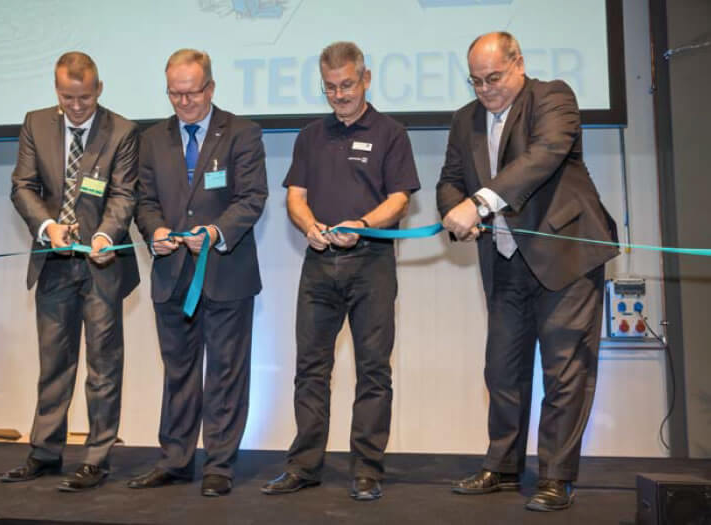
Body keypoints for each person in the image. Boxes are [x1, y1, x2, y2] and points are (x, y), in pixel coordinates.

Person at [436, 32, 618, 511]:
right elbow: (451, 179)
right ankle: (503, 466)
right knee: (501, 369)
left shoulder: (553, 96)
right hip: (505, 261)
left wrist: (478, 204)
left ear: (518, 63)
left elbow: (544, 156)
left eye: (494, 77)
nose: (485, 89)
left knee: (564, 370)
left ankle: (556, 476)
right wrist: (456, 214)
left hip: (565, 257)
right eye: (476, 81)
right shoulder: (464, 120)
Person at [261, 41, 420, 501]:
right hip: (318, 265)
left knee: (373, 371)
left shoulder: (391, 132)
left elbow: (400, 199)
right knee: (310, 370)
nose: (339, 94)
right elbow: (295, 195)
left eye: (347, 85)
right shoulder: (310, 136)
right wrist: (307, 224)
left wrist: (364, 224)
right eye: (330, 87)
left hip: (371, 263)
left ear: (366, 79)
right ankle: (304, 466)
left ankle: (367, 470)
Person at [131, 49, 268, 497]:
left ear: (210, 87)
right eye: (175, 93)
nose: (184, 102)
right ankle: (175, 460)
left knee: (227, 371)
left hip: (226, 272)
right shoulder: (151, 139)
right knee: (178, 371)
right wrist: (156, 231)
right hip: (172, 273)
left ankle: (220, 465)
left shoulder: (242, 133)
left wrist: (214, 231)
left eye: (192, 92)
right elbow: (143, 200)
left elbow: (252, 198)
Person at [3, 51, 139, 491]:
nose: (76, 107)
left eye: (84, 98)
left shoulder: (122, 131)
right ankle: (44, 452)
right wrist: (46, 226)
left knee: (103, 366)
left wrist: (105, 235)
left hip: (101, 264)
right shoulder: (36, 123)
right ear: (56, 91)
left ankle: (97, 457)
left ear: (98, 90)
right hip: (55, 262)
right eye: (67, 98)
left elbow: (123, 194)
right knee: (54, 362)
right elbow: (22, 185)